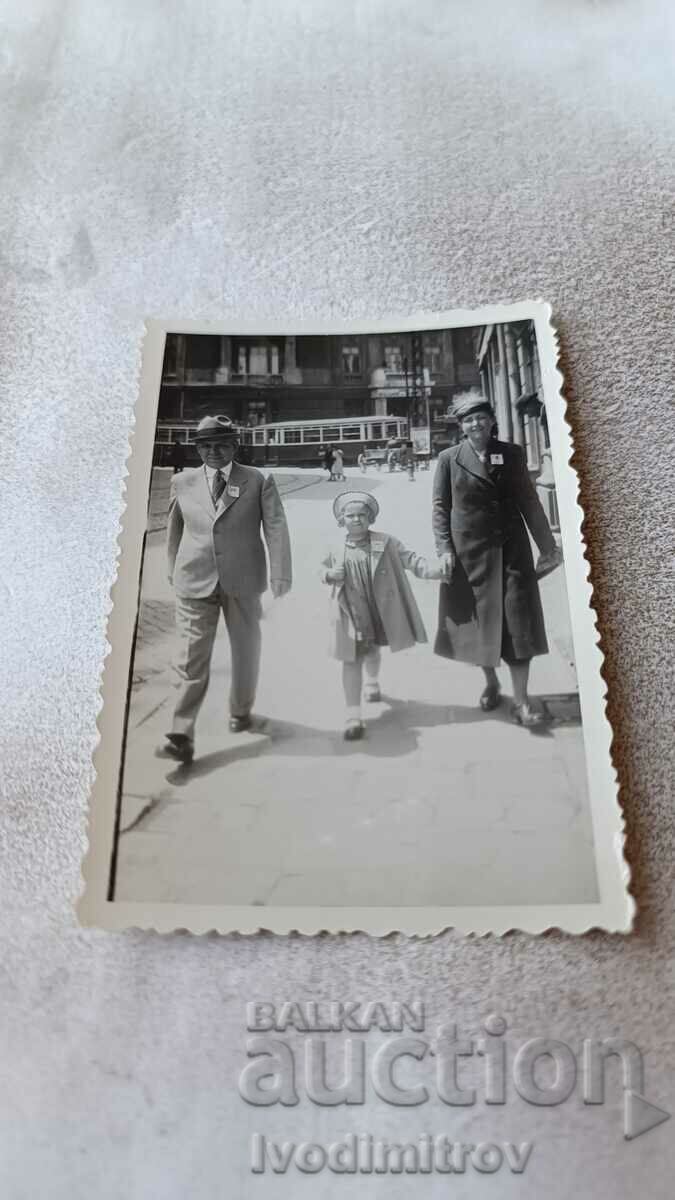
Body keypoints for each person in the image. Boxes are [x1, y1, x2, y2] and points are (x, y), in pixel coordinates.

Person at [160, 415, 292, 764]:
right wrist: (172, 569)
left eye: (221, 445)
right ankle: (180, 733)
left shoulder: (257, 480)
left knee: (246, 650)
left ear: (235, 446)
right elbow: (173, 528)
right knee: (191, 657)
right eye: (205, 446)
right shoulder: (182, 482)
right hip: (194, 579)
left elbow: (276, 528)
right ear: (198, 449)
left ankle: (241, 709)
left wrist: (281, 573)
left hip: (244, 581)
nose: (213, 452)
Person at [432, 391, 562, 728]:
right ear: (461, 426)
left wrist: (548, 547)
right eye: (468, 419)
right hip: (468, 556)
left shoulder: (512, 454)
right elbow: (440, 508)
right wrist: (444, 549)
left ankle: (521, 702)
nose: (475, 424)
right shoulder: (449, 459)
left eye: (481, 417)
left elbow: (530, 501)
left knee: (520, 625)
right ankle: (491, 683)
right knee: (479, 626)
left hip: (512, 552)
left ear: (491, 420)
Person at [321, 491, 447, 741]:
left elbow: (412, 561)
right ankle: (353, 714)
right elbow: (321, 569)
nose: (356, 520)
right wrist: (327, 575)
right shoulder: (335, 548)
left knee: (372, 648)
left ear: (371, 518)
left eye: (362, 515)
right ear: (340, 520)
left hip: (380, 607)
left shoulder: (386, 542)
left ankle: (372, 681)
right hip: (350, 609)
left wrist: (438, 570)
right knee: (351, 657)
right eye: (350, 515)